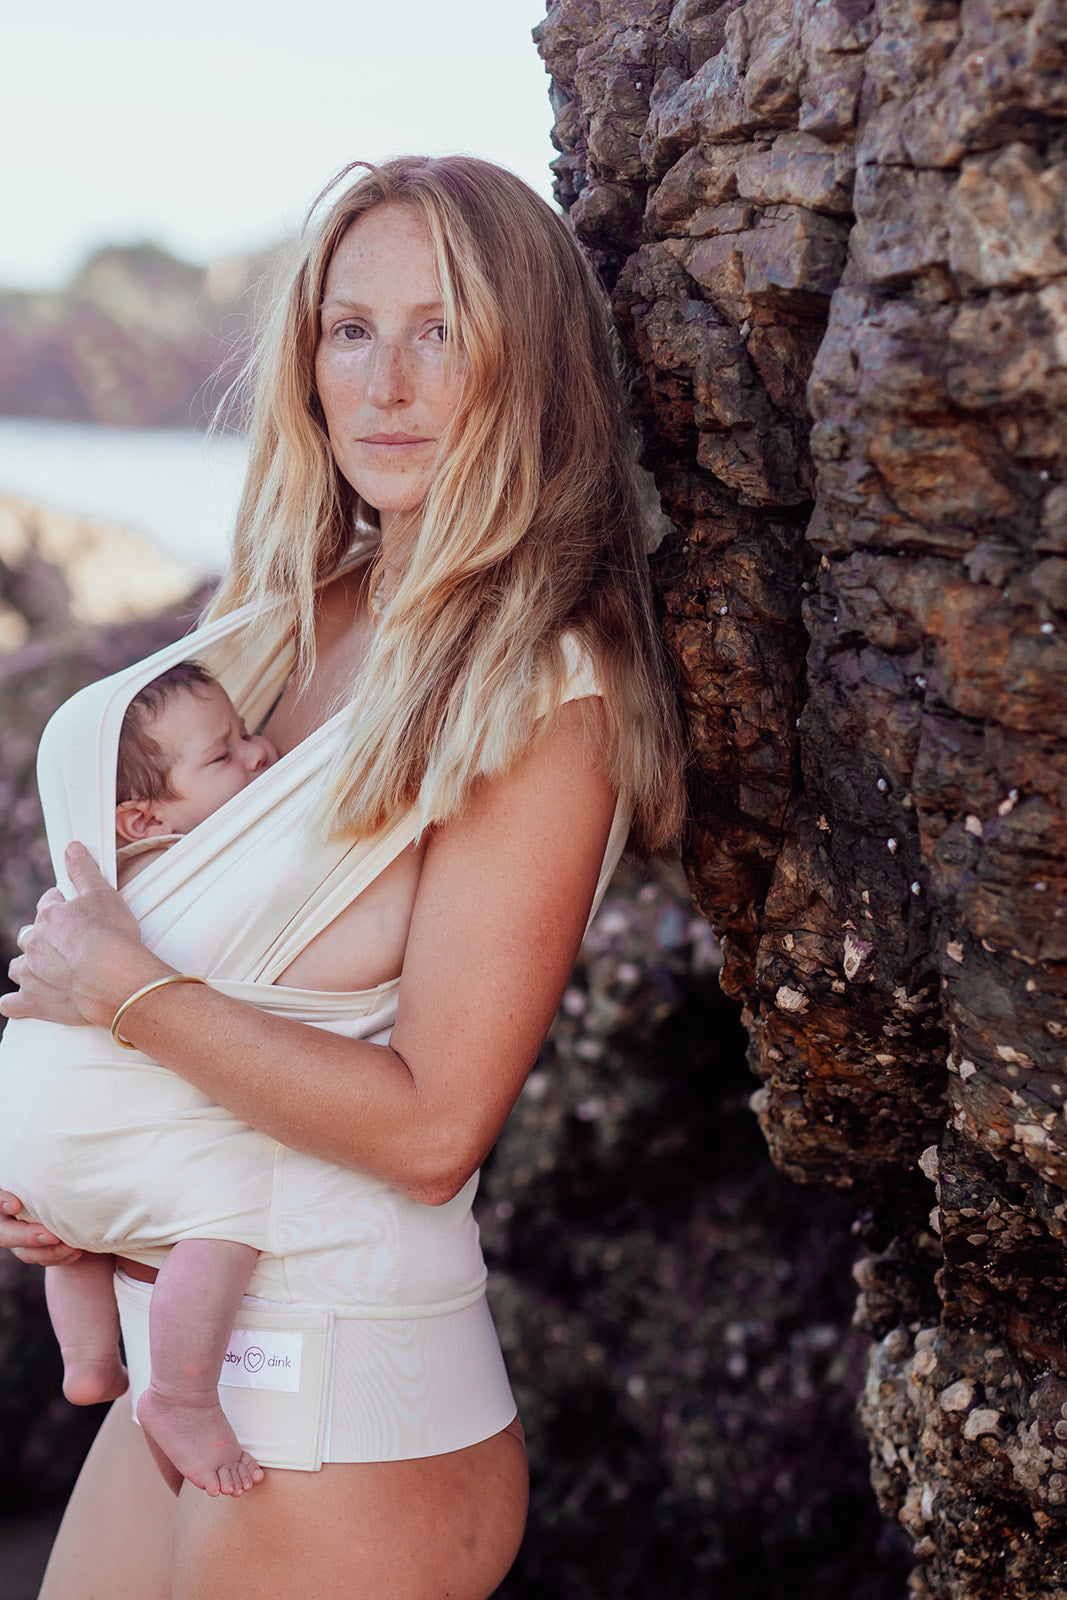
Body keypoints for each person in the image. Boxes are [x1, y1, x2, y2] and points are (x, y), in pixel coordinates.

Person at [0, 155, 685, 1600]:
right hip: (178, 1383)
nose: (386, 385)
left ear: (528, 366)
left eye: (441, 332)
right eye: (350, 329)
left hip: (356, 1416)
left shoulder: (540, 692)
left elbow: (434, 1125)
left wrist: (126, 998)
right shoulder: (275, 623)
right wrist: (93, 1182)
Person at [40, 661, 278, 1500]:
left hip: (36, 1144)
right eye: (224, 755)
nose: (260, 754)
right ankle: (176, 1392)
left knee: (77, 1231)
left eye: (248, 732)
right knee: (230, 1217)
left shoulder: (77, 892)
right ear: (143, 817)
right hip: (111, 1136)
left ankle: (88, 1360)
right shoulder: (192, 879)